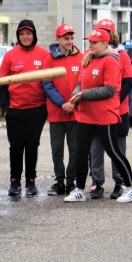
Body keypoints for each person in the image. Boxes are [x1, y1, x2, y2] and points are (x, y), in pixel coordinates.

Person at [65, 28, 132, 203]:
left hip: (104, 115)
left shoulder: (112, 61)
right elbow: (80, 84)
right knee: (81, 154)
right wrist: (75, 97)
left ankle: (131, 188)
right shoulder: (88, 60)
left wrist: (83, 95)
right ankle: (79, 190)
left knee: (114, 152)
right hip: (86, 116)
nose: (90, 45)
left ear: (105, 43)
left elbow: (110, 89)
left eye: (94, 42)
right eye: (89, 42)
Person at [0, 19, 48, 196]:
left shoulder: (43, 55)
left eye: (28, 33)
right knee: (16, 146)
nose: (25, 37)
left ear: (34, 35)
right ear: (18, 36)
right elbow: (2, 83)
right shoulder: (10, 55)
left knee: (32, 145)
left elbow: (49, 82)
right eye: (22, 34)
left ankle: (31, 182)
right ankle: (14, 182)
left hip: (37, 109)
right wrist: (5, 107)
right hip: (15, 109)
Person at [87, 19, 132, 199]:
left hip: (118, 111)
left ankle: (119, 182)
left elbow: (128, 82)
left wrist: (114, 101)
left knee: (118, 148)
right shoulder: (91, 55)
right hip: (96, 112)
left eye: (106, 31)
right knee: (95, 147)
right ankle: (97, 182)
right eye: (99, 31)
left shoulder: (122, 55)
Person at [41, 23, 84, 195]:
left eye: (71, 38)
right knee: (57, 150)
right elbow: (47, 84)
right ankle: (59, 181)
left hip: (75, 112)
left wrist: (72, 103)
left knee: (74, 149)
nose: (69, 41)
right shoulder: (49, 59)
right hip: (57, 113)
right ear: (58, 39)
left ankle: (71, 181)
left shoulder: (81, 57)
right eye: (66, 38)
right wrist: (62, 103)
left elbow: (83, 82)